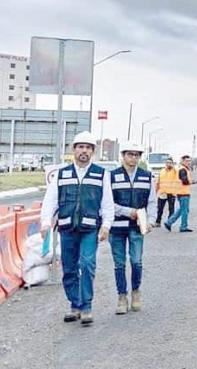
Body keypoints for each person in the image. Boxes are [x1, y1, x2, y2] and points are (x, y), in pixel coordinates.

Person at [40, 131, 115, 326]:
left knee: (87, 264)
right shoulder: (61, 175)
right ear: (74, 150)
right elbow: (50, 201)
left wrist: (106, 225)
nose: (84, 151)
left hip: (90, 229)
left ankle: (86, 306)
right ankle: (75, 304)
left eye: (88, 148)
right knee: (70, 268)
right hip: (67, 228)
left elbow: (107, 203)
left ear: (93, 152)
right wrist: (45, 221)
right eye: (80, 147)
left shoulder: (101, 174)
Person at [109, 142, 156, 314]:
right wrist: (129, 212)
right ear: (123, 156)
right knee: (119, 264)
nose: (133, 158)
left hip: (138, 227)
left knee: (136, 261)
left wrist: (150, 220)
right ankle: (122, 296)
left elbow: (152, 201)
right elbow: (107, 204)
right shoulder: (111, 177)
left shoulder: (146, 176)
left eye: (137, 155)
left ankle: (136, 291)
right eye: (130, 154)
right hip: (117, 227)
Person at [164, 155, 197, 232]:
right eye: (186, 161)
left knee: (182, 209)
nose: (188, 162)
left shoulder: (184, 169)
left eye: (189, 161)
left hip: (183, 192)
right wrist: (193, 182)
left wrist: (193, 181)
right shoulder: (182, 170)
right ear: (182, 161)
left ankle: (169, 222)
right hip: (183, 193)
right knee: (185, 211)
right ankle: (183, 226)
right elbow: (185, 181)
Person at [155, 157, 178, 226]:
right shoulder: (162, 171)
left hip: (171, 193)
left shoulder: (175, 171)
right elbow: (158, 182)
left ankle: (169, 222)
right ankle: (158, 222)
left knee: (171, 209)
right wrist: (156, 191)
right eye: (167, 163)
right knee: (160, 208)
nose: (168, 164)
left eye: (170, 163)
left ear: (172, 164)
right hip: (162, 193)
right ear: (165, 163)